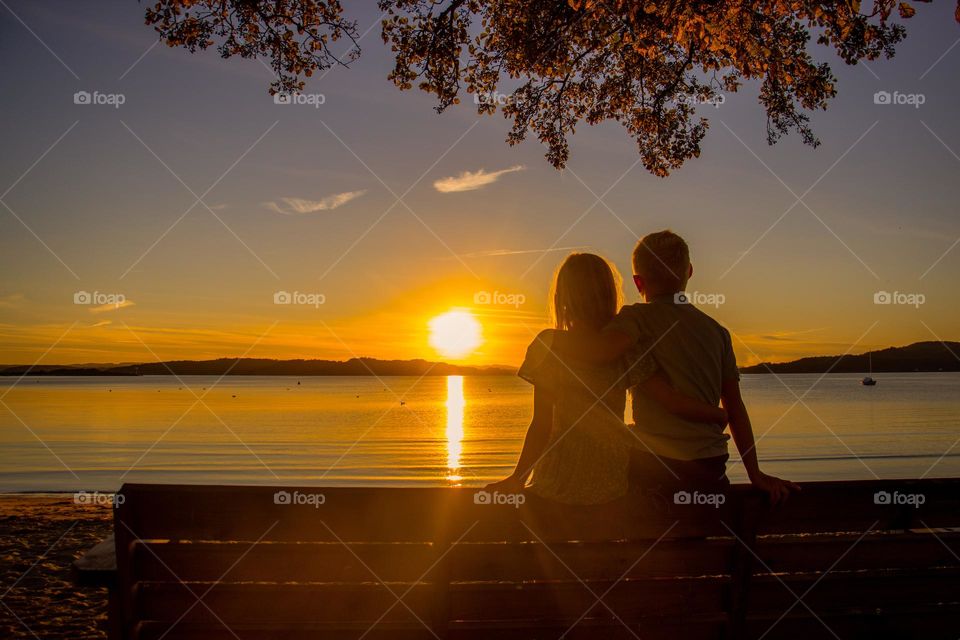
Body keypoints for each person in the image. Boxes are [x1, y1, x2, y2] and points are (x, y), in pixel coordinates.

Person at [552, 231, 800, 504]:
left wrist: (552, 343)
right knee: (695, 538)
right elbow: (736, 409)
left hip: (655, 464)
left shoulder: (636, 319)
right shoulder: (717, 333)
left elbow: (600, 353)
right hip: (709, 468)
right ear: (689, 272)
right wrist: (755, 473)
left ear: (638, 282)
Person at [485, 253, 727, 505]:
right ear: (611, 295)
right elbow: (670, 400)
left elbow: (541, 424)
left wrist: (518, 478)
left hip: (559, 475)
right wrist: (718, 415)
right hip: (612, 477)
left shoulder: (550, 346)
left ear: (562, 299)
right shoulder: (626, 350)